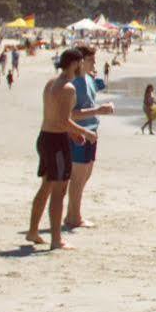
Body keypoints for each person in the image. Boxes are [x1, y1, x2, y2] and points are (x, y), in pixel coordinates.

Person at [29, 48, 101, 249]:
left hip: (45, 137)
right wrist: (85, 133)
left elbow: (54, 118)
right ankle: (56, 239)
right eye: (80, 62)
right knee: (59, 191)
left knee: (46, 187)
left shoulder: (51, 83)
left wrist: (72, 133)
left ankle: (33, 231)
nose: (82, 66)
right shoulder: (69, 88)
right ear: (74, 64)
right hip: (56, 142)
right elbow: (63, 120)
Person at [65, 46, 114, 230]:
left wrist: (103, 108)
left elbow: (90, 103)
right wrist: (98, 110)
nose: (95, 63)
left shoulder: (89, 80)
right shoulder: (75, 83)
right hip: (79, 133)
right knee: (78, 177)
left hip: (92, 131)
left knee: (86, 175)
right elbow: (70, 114)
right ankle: (74, 217)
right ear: (81, 61)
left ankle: (72, 214)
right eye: (91, 60)